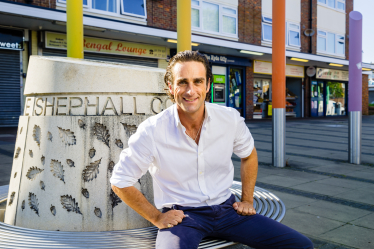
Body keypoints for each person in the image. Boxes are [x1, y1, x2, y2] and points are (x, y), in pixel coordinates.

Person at [111, 51, 313, 249]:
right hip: (183, 217)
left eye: (197, 81)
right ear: (171, 87)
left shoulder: (229, 118)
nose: (191, 91)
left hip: (229, 211)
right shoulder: (152, 130)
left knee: (301, 245)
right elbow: (120, 181)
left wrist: (247, 199)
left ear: (208, 85)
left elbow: (249, 155)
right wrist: (156, 217)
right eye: (182, 82)